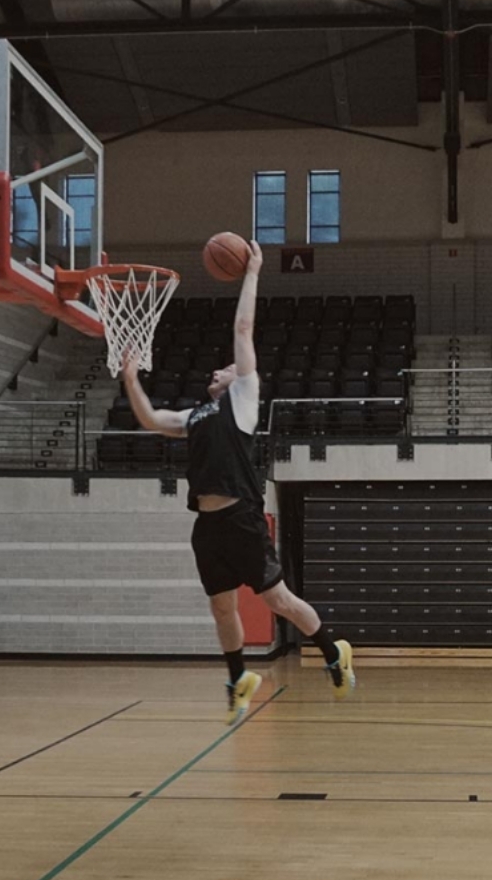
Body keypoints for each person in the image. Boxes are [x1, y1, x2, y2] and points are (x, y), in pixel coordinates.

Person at [121, 239, 355, 723]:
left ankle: (334, 653)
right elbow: (150, 419)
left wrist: (252, 271)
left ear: (242, 377)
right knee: (222, 609)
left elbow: (243, 328)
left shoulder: (244, 400)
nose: (218, 368)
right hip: (207, 526)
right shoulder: (196, 416)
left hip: (243, 518)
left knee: (279, 600)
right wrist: (129, 378)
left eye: (226, 367)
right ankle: (238, 678)